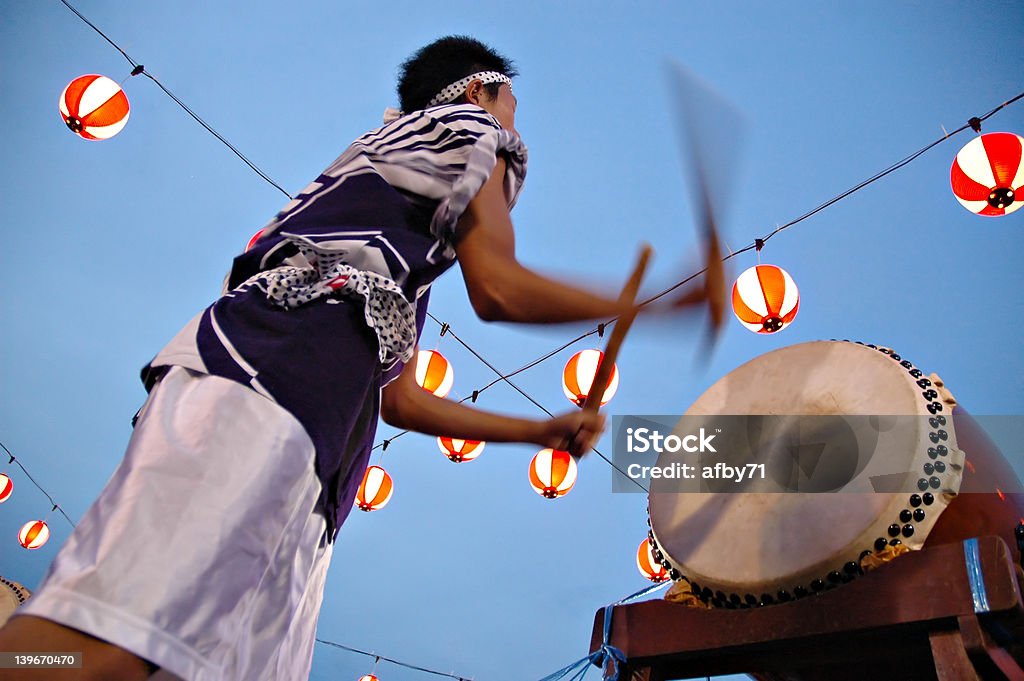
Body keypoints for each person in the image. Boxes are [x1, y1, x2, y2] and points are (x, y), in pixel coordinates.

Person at [0, 35, 721, 681]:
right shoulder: (470, 130)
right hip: (267, 386)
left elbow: (401, 399)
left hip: (304, 451)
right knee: (102, 643)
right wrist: (657, 303)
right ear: (480, 90)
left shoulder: (397, 228)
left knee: (157, 655)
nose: (515, 127)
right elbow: (498, 288)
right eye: (513, 106)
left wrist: (539, 430)